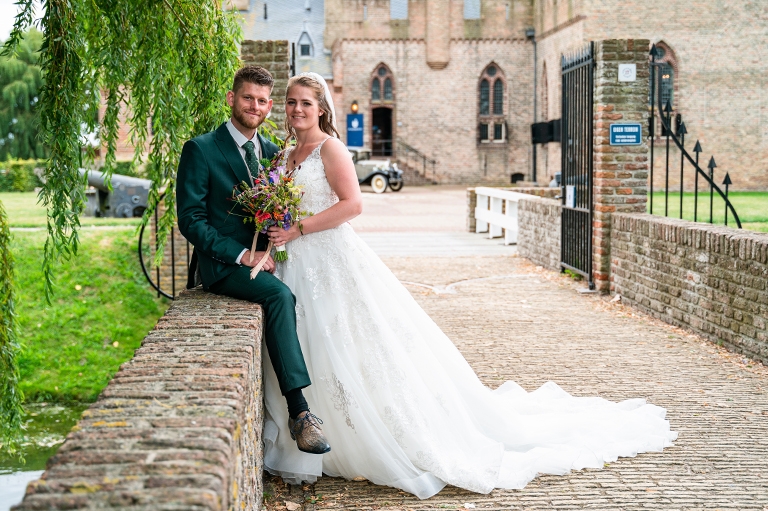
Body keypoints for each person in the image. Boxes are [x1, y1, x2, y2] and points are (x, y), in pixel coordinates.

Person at [261, 71, 677, 499]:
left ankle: (360, 438)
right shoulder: (285, 154)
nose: (296, 110)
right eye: (291, 102)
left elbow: (354, 205)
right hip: (295, 263)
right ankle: (313, 430)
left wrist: (300, 229)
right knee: (307, 344)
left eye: (305, 103)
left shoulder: (331, 150)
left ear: (322, 108)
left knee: (343, 344)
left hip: (329, 260)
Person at [176, 66, 330, 455]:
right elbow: (190, 221)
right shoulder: (201, 149)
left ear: (269, 106)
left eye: (262, 101)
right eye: (248, 98)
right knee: (279, 297)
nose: (255, 106)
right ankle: (300, 413)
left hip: (271, 256)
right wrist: (244, 254)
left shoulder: (272, 151)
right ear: (232, 99)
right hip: (224, 264)